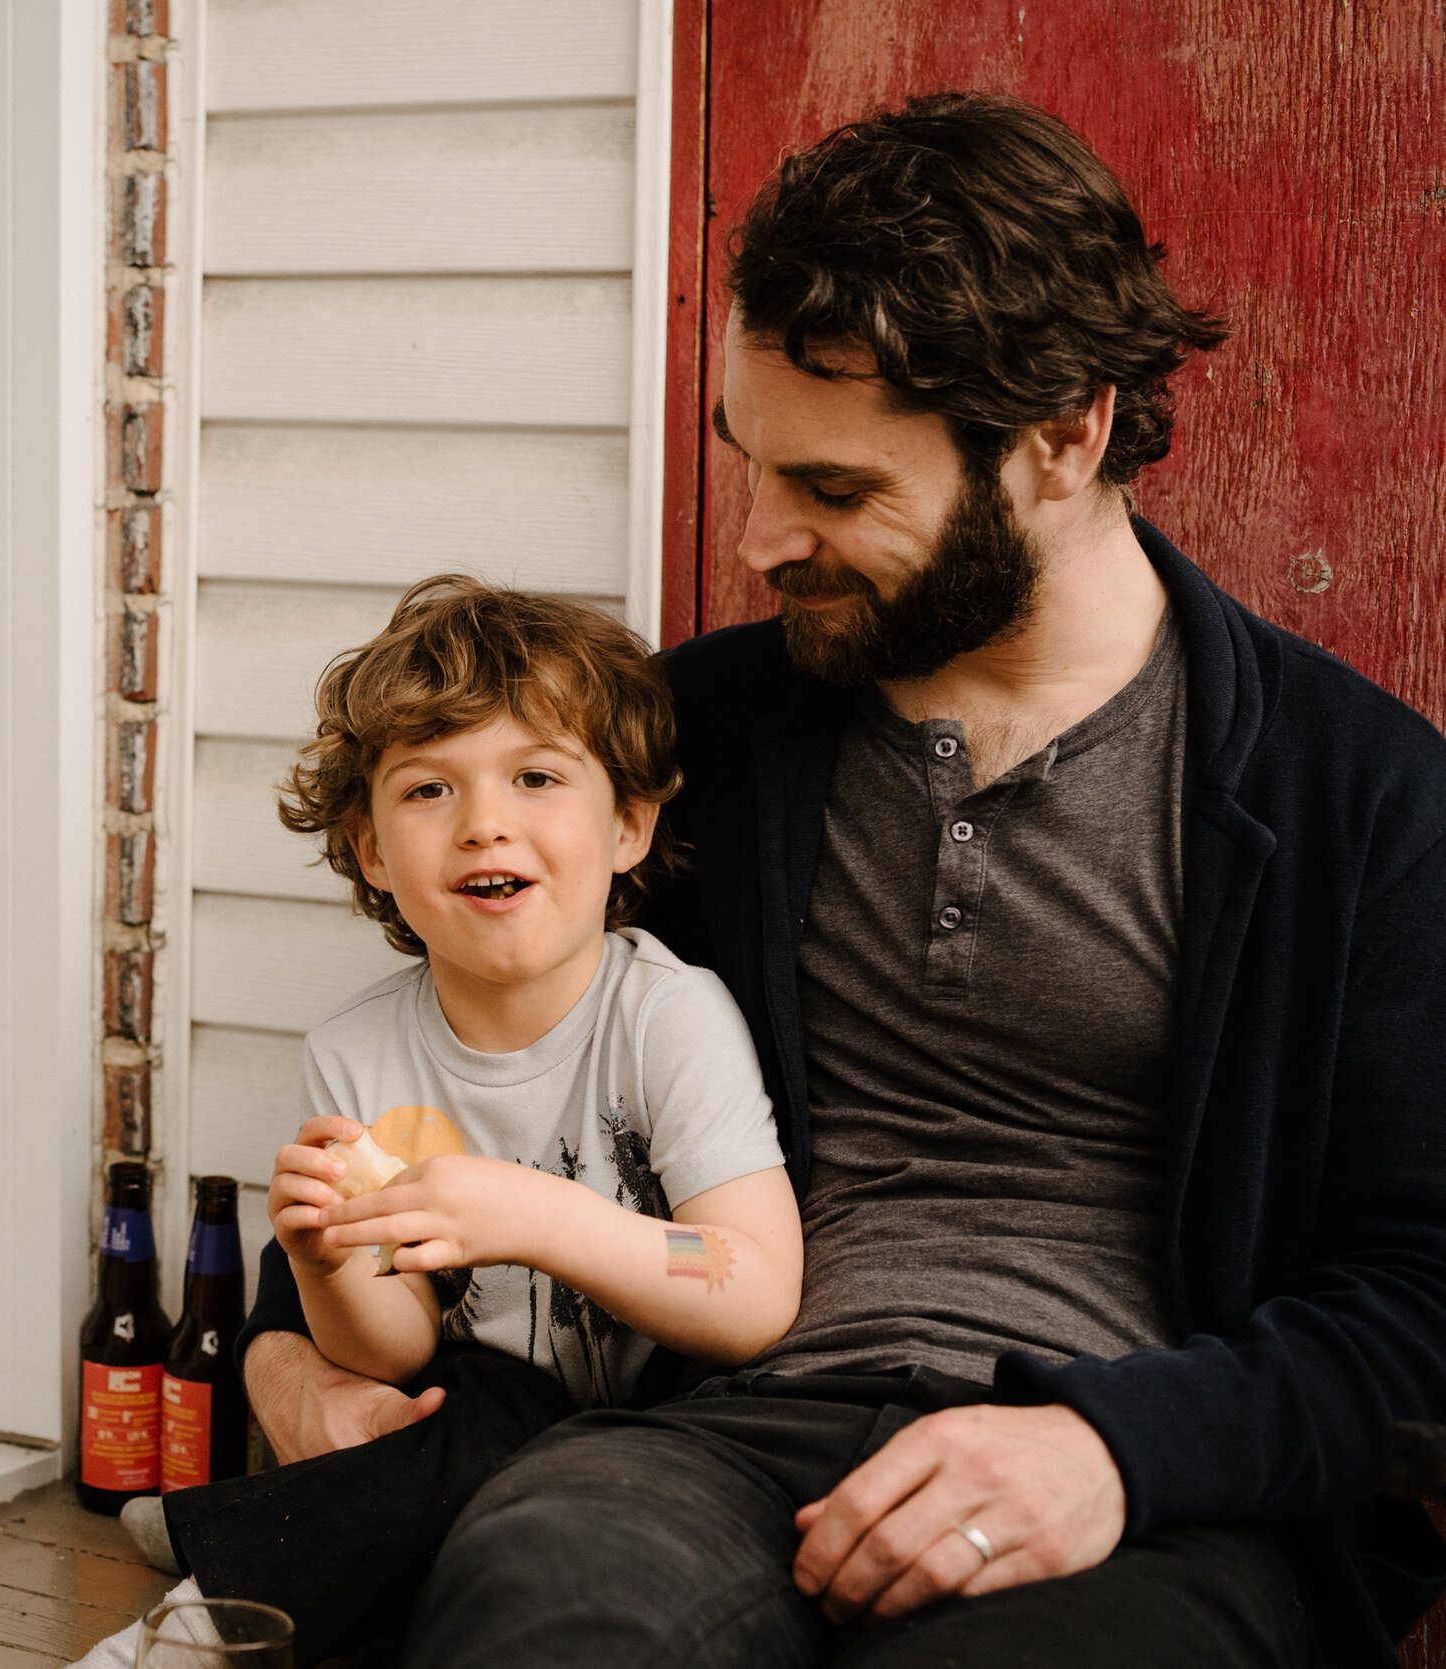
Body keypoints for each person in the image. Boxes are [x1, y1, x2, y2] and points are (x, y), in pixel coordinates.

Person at [235, 92, 1446, 1668]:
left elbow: (1421, 1304)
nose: (759, 539)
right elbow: (474, 1044)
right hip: (728, 1429)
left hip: (1144, 1495)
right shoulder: (704, 737)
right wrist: (280, 1342)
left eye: (838, 490)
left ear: (1065, 435)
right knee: (547, 1611)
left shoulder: (1355, 796)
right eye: (754, 465)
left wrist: (1116, 1450)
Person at [77, 580, 806, 1669]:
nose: (484, 821)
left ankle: (222, 1565)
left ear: (628, 826)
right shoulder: (356, 1051)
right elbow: (397, 1345)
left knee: (455, 1474)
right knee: (447, 1422)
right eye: (428, 789)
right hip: (471, 1416)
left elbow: (751, 1290)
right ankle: (225, 1598)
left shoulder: (668, 1018)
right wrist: (327, 1265)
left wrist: (533, 1216)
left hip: (674, 1433)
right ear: (371, 851)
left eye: (536, 776)